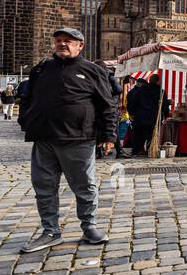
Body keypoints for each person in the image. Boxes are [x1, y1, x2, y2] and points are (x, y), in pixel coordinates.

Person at [17, 27, 117, 252]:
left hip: (79, 138)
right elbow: (26, 97)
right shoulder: (41, 69)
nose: (63, 44)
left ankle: (89, 227)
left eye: (69, 41)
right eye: (59, 41)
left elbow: (107, 105)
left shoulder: (92, 71)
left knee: (84, 186)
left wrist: (109, 135)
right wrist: (26, 121)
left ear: (80, 45)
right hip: (44, 138)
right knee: (44, 186)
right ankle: (50, 231)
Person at [126, 75, 166, 157]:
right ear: (158, 81)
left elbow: (133, 102)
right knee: (151, 134)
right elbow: (164, 105)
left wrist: (132, 113)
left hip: (140, 115)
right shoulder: (160, 91)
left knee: (138, 134)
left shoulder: (140, 90)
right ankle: (149, 150)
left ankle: (137, 150)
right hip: (153, 116)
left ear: (150, 80)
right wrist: (166, 114)